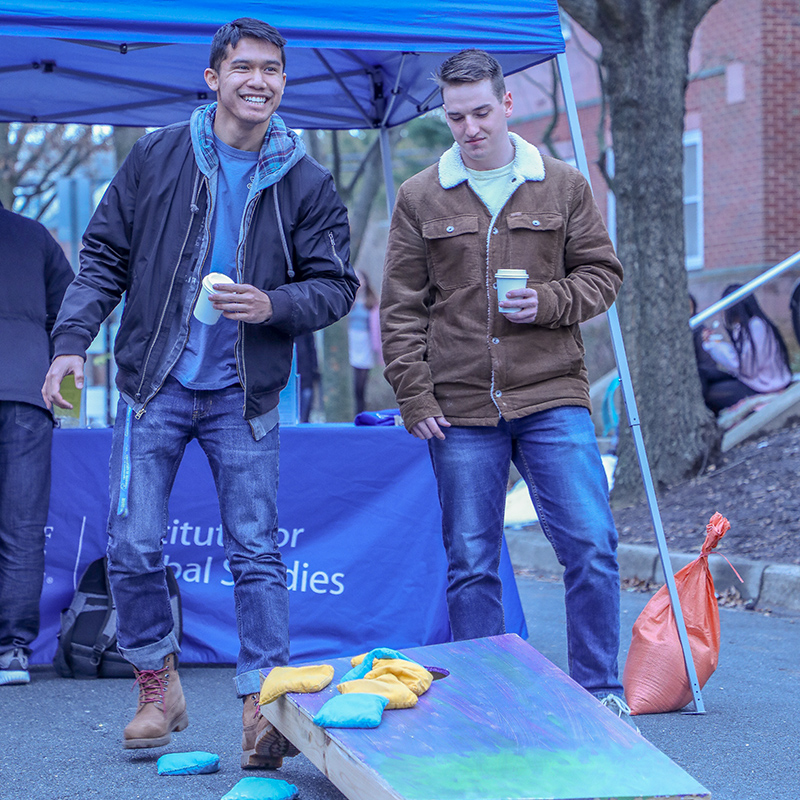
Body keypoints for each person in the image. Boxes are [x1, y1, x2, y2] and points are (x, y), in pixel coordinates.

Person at [41, 18, 358, 764]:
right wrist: (68, 344)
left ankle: (264, 711)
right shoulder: (157, 154)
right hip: (155, 384)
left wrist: (273, 305)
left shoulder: (306, 179)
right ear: (212, 78)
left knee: (256, 553)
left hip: (244, 396)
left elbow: (337, 286)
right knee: (132, 543)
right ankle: (157, 684)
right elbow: (102, 257)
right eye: (244, 67)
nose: (259, 80)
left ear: (284, 82)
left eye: (272, 69)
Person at [380, 50, 634, 726]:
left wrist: (550, 300)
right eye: (456, 116)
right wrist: (414, 392)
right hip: (459, 404)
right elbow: (400, 306)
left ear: (508, 104)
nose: (469, 128)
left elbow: (604, 275)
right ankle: (485, 698)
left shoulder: (562, 185)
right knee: (470, 559)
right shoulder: (419, 196)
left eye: (481, 112)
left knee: (589, 541)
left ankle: (599, 690)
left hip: (551, 392)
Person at [0, 200, 73, 686]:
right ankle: (12, 652)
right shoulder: (33, 235)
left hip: (27, 388)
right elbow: (71, 305)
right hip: (26, 389)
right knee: (22, 527)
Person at [720, 283, 792, 396]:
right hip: (762, 382)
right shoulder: (750, 326)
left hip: (766, 385)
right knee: (708, 375)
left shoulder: (756, 326)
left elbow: (747, 368)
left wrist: (714, 347)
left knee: (713, 391)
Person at [689, 294, 753, 415]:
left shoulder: (698, 328)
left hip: (707, 373)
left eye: (690, 308)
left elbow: (712, 364)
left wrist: (711, 345)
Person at [347, 269, 382, 415]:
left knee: (362, 380)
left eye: (361, 279)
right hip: (352, 342)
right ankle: (356, 410)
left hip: (365, 342)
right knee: (354, 379)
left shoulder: (372, 303)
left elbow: (376, 327)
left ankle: (361, 410)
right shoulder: (349, 301)